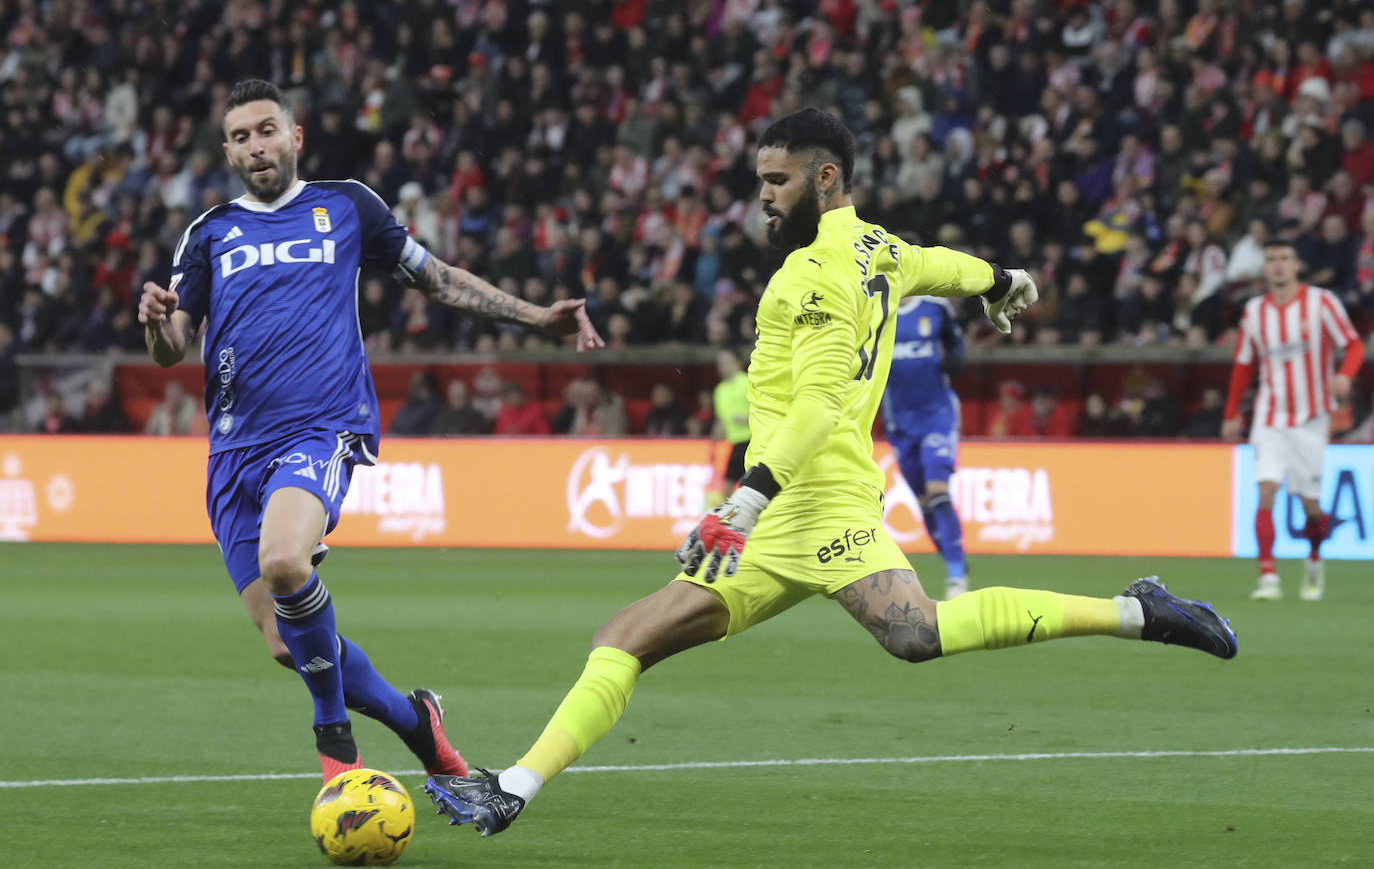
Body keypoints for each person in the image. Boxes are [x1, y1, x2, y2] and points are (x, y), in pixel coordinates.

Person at [425, 107, 1237, 837]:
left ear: (825, 178)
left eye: (777, 181)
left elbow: (816, 404)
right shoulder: (877, 247)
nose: (764, 198)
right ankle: (512, 788)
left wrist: (744, 502)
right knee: (633, 637)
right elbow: (940, 264)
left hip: (813, 501)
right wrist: (1005, 280)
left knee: (913, 634)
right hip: (789, 509)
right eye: (759, 182)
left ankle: (1138, 611)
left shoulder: (812, 275)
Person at [136, 80, 602, 783]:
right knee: (285, 642)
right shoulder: (210, 234)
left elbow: (437, 279)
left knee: (286, 563)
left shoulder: (345, 206)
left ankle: (335, 744)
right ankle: (420, 723)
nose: (255, 146)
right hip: (233, 451)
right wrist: (154, 321)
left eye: (267, 130)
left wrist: (537, 318)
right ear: (228, 151)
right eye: (240, 137)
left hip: (321, 428)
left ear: (295, 136)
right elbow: (173, 345)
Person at [1222, 240, 1364, 601]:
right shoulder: (1254, 312)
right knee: (1266, 490)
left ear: (1297, 264)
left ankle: (1314, 559)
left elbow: (1354, 344)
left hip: (1312, 418)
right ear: (1265, 268)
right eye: (1271, 260)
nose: (1278, 266)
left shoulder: (1321, 302)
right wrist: (1231, 413)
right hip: (1270, 416)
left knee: (1310, 506)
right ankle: (1268, 578)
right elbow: (1243, 366)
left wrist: (1345, 374)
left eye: (1285, 258)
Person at [881, 294, 969, 597]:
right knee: (924, 502)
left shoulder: (935, 307)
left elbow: (955, 340)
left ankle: (956, 576)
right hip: (899, 423)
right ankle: (952, 560)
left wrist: (955, 358)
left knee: (938, 492)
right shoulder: (877, 307)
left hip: (937, 415)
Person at [707, 347, 750, 505]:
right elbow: (721, 421)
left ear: (736, 363)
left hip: (753, 441)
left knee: (752, 487)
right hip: (735, 444)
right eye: (720, 363)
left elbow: (765, 409)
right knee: (727, 490)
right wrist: (712, 447)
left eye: (726, 362)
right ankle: (731, 524)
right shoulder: (720, 390)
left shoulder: (747, 381)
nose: (722, 366)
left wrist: (748, 418)